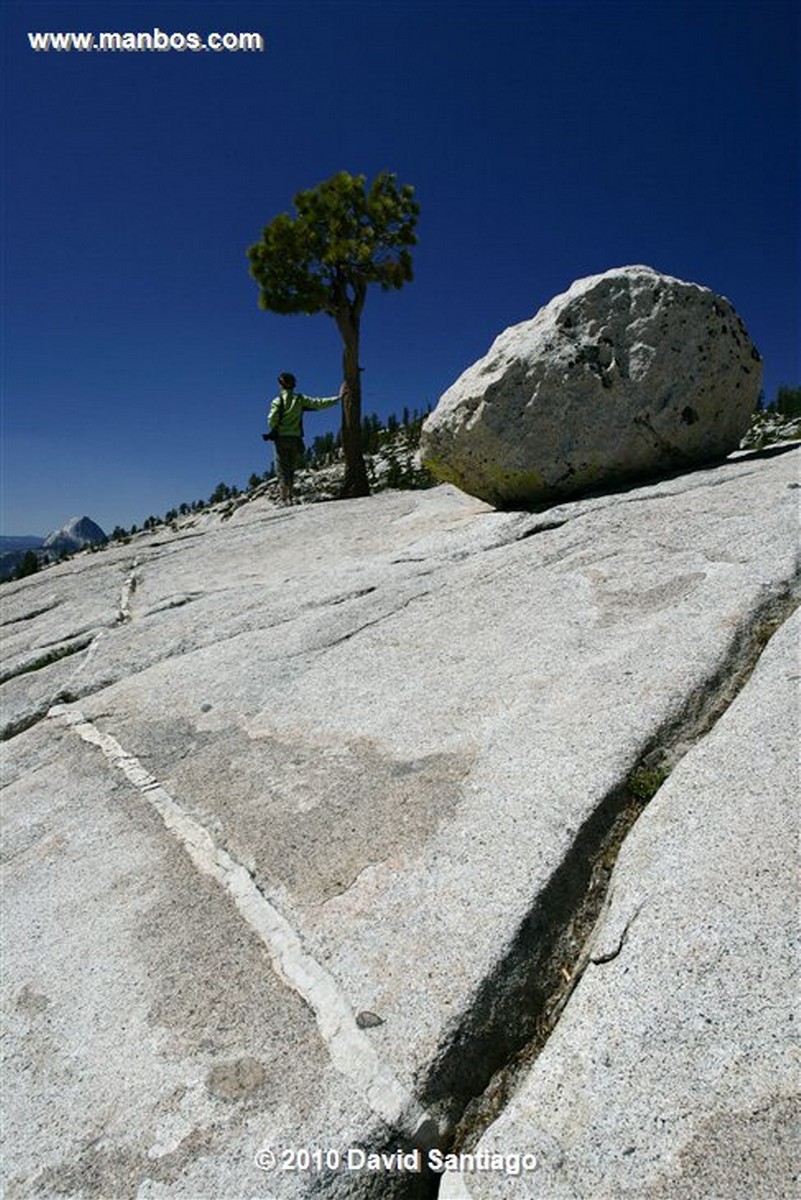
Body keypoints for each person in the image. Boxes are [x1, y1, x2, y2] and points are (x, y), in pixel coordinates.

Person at [265, 372, 347, 504]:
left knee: (281, 468)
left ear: (281, 385)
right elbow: (318, 403)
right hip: (296, 438)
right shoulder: (300, 399)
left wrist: (275, 428)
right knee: (291, 468)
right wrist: (337, 398)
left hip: (281, 439)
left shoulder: (277, 401)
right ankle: (290, 496)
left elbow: (271, 420)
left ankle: (284, 498)